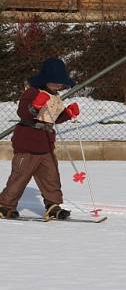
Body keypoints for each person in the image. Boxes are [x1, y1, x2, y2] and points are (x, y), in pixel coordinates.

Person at [0, 57, 81, 220]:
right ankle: (5, 205)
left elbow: (54, 118)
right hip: (28, 142)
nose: (59, 85)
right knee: (20, 176)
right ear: (45, 79)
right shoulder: (33, 92)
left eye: (61, 82)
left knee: (51, 176)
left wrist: (67, 113)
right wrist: (35, 106)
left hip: (46, 144)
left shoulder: (55, 96)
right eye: (55, 81)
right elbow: (23, 112)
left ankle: (53, 205)